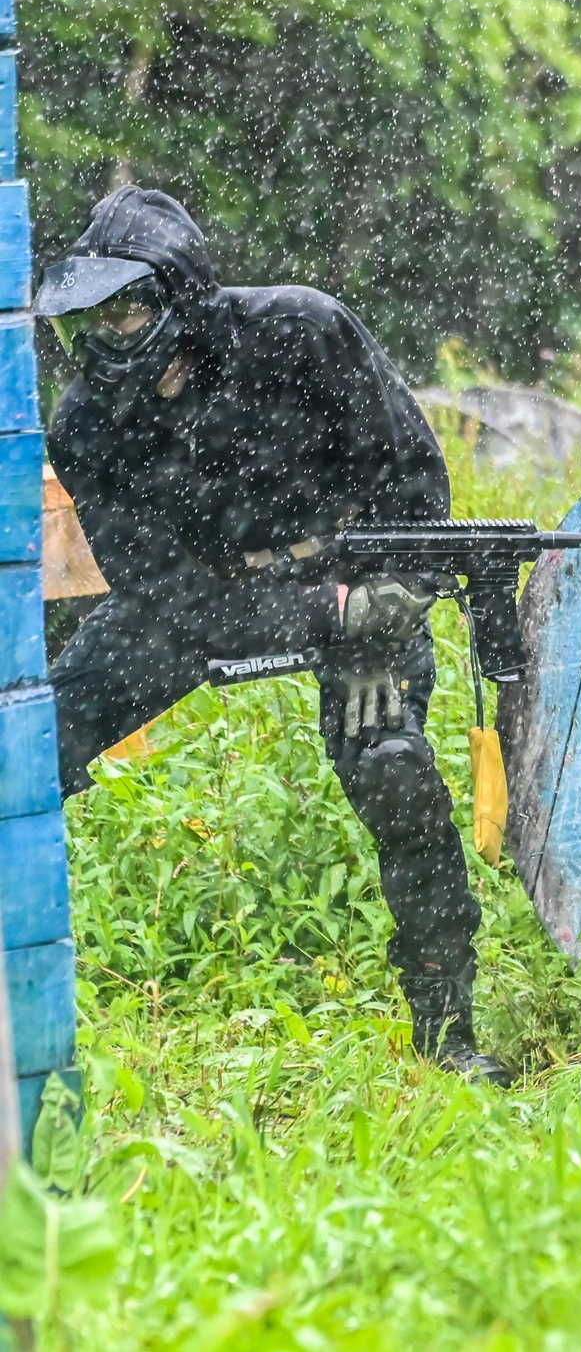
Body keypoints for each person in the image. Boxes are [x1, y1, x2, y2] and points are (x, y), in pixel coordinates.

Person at [37, 186, 508, 1082]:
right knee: (30, 744)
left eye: (127, 310)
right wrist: (321, 619)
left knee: (394, 771)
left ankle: (448, 1033)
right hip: (202, 602)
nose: (107, 338)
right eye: (89, 320)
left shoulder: (302, 330)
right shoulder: (86, 422)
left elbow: (412, 483)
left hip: (355, 579)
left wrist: (379, 607)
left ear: (181, 300)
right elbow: (162, 590)